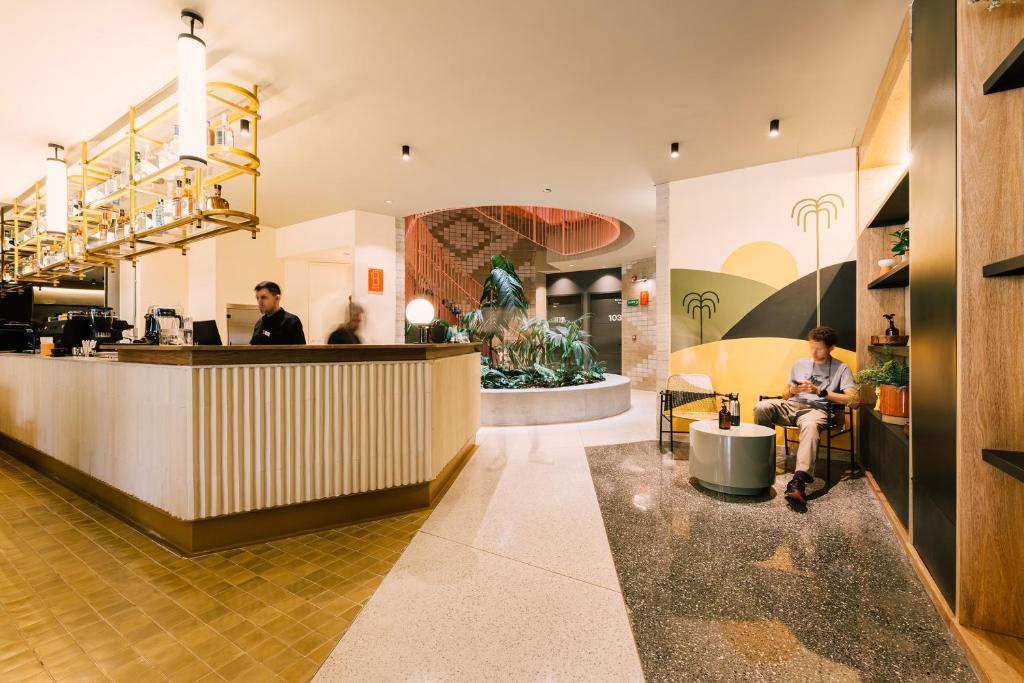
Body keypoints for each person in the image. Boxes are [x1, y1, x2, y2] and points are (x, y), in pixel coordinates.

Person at [754, 326, 856, 509]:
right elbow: (784, 394)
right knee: (762, 407)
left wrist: (820, 391)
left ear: (831, 347)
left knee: (810, 425)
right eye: (812, 347)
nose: (814, 352)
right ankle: (762, 464)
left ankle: (798, 482)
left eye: (820, 348)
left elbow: (853, 399)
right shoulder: (799, 364)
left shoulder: (841, 368)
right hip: (792, 405)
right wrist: (792, 390)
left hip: (816, 410)